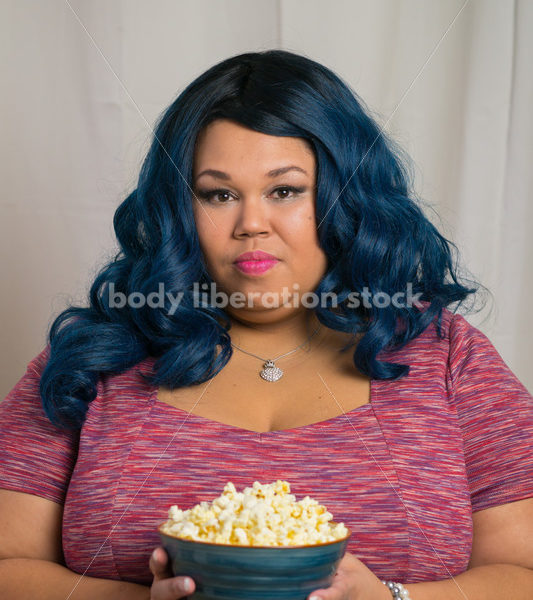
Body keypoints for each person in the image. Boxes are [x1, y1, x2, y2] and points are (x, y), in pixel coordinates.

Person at [1, 49, 532, 600]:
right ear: (182, 209)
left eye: (285, 190)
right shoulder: (93, 357)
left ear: (343, 196)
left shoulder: (447, 357)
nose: (251, 224)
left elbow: (523, 575)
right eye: (219, 194)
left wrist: (391, 599)